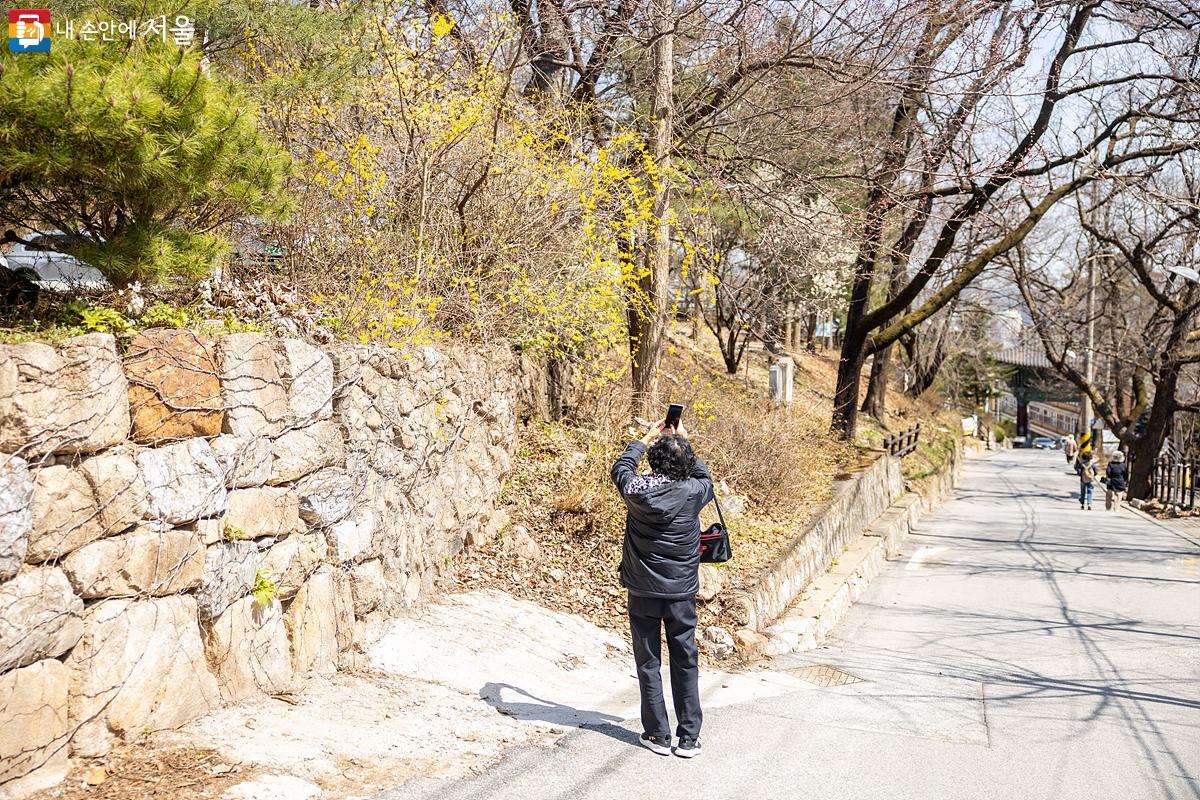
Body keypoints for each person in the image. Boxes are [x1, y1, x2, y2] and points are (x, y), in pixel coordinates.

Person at [611, 419, 713, 759]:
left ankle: (656, 733)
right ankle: (688, 739)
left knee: (648, 661)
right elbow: (704, 477)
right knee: (685, 661)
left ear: (653, 462)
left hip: (642, 589)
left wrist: (645, 439)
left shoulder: (637, 491)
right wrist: (683, 439)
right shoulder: (694, 493)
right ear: (685, 464)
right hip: (681, 592)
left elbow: (621, 468)